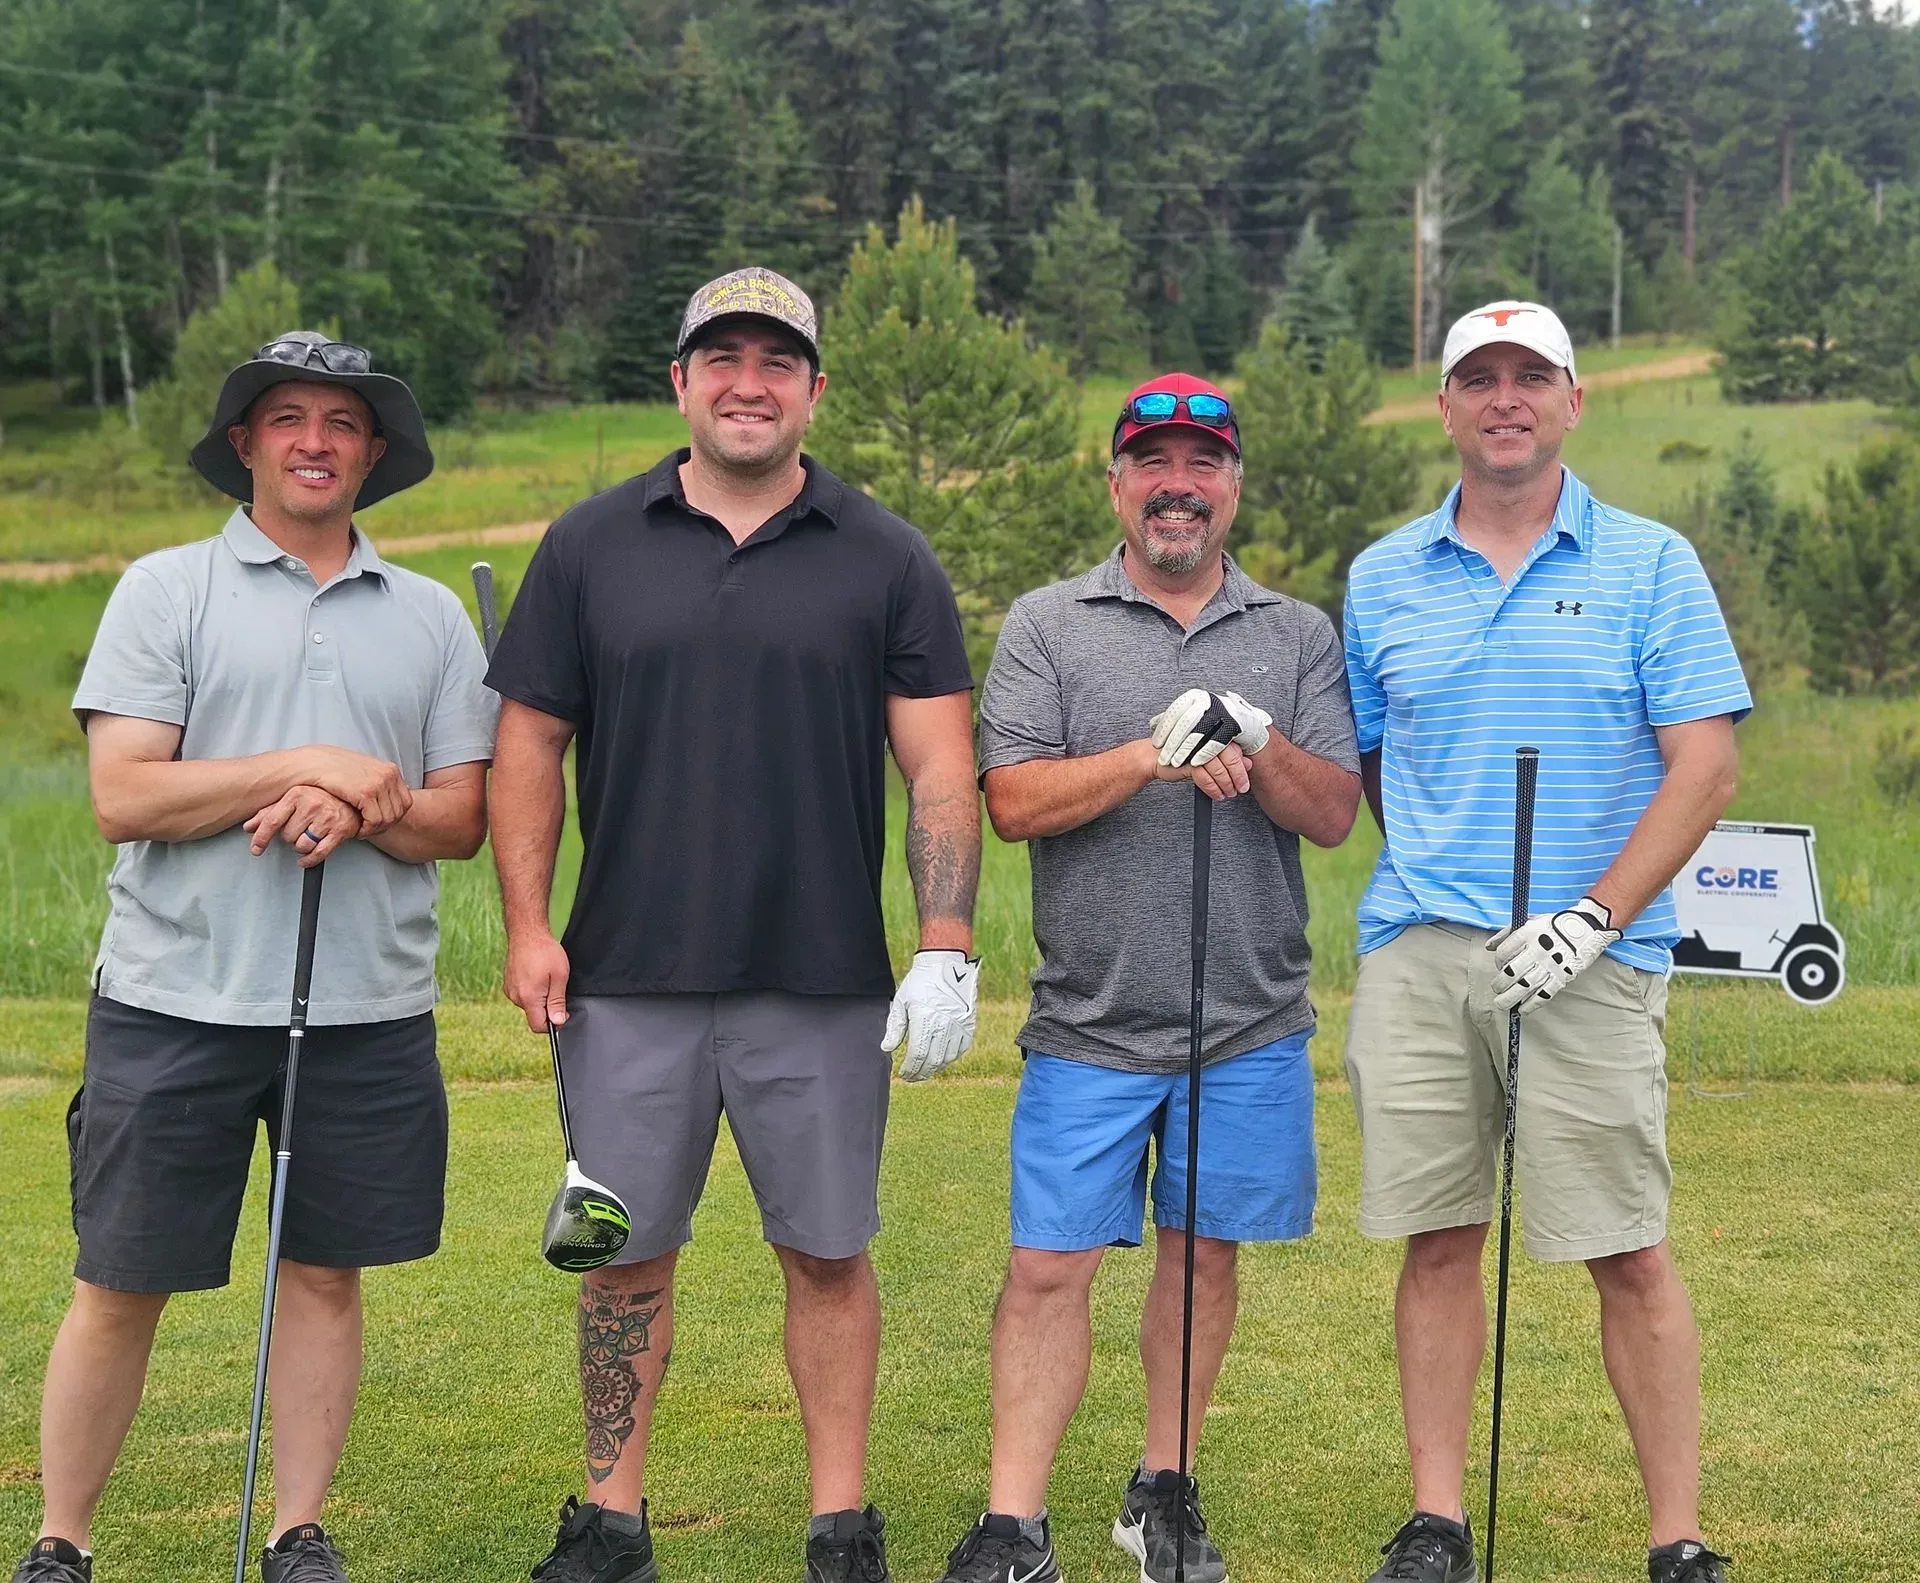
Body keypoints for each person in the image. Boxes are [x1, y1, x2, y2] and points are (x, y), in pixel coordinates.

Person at [484, 267, 981, 1583]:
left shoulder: (885, 554)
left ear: (814, 388)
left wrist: (945, 938)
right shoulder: (590, 543)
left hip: (817, 979)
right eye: (723, 358)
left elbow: (940, 765)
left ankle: (839, 1521)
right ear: (681, 381)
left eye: (776, 360)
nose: (748, 382)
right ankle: (610, 1520)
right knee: (621, 1258)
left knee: (825, 1251)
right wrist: (528, 922)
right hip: (624, 977)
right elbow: (528, 738)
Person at [12, 334, 497, 1583]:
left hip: (364, 1006)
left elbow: (458, 816)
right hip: (176, 992)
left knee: (323, 1274)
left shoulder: (434, 615)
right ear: (244, 443)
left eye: (343, 422)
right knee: (119, 1278)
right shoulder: (165, 588)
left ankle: (297, 1529)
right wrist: (308, 764)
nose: (315, 441)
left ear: (375, 452)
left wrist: (363, 802)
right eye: (287, 417)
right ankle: (62, 1538)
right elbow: (125, 795)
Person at [1342, 302, 1748, 1583]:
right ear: (1446, 405)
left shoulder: (1651, 561)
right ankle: (1437, 1519)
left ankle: (1676, 1531)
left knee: (1626, 1243)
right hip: (1422, 946)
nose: (1504, 398)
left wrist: (1594, 914)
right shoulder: (1382, 574)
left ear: (1574, 399)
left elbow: (1706, 764)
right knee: (1441, 1232)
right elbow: (1373, 760)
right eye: (1478, 378)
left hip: (1591, 950)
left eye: (1531, 376)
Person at [945, 374, 1362, 1583]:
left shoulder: (1293, 633)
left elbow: (1333, 812)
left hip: (1247, 1011)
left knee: (1202, 1252)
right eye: (1155, 463)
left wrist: (1258, 740)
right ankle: (1014, 1521)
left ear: (1233, 487)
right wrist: (1148, 754)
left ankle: (1161, 1487)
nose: (1179, 485)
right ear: (1118, 480)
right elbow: (1012, 801)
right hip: (1090, 1012)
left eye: (1205, 465)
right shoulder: (1047, 621)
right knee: (1049, 1262)